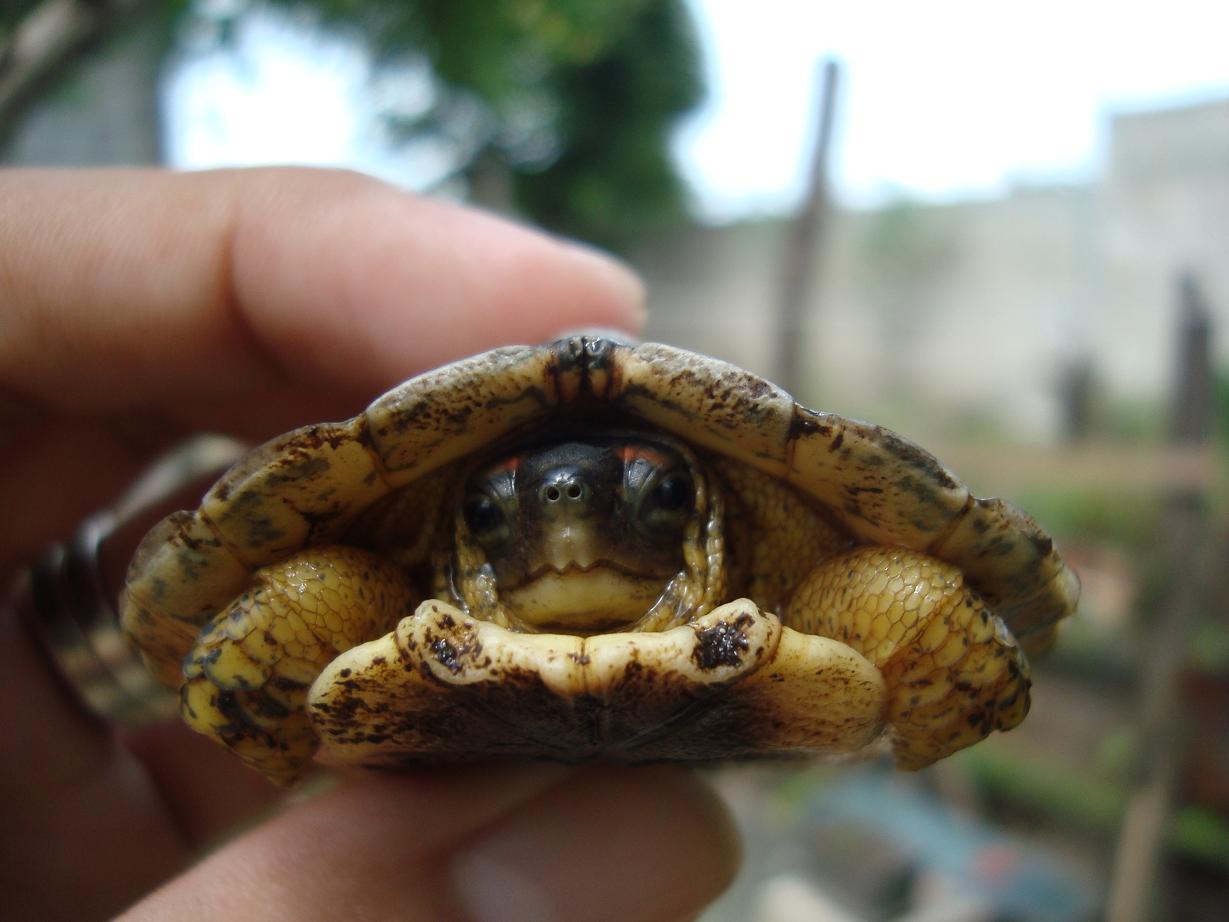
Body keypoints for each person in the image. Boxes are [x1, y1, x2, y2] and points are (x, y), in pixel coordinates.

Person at [0, 167, 739, 921]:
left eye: (662, 499)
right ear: (459, 531)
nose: (566, 525)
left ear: (703, 509)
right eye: (489, 515)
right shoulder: (362, 585)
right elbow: (263, 632)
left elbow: (870, 588)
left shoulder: (778, 541)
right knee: (304, 601)